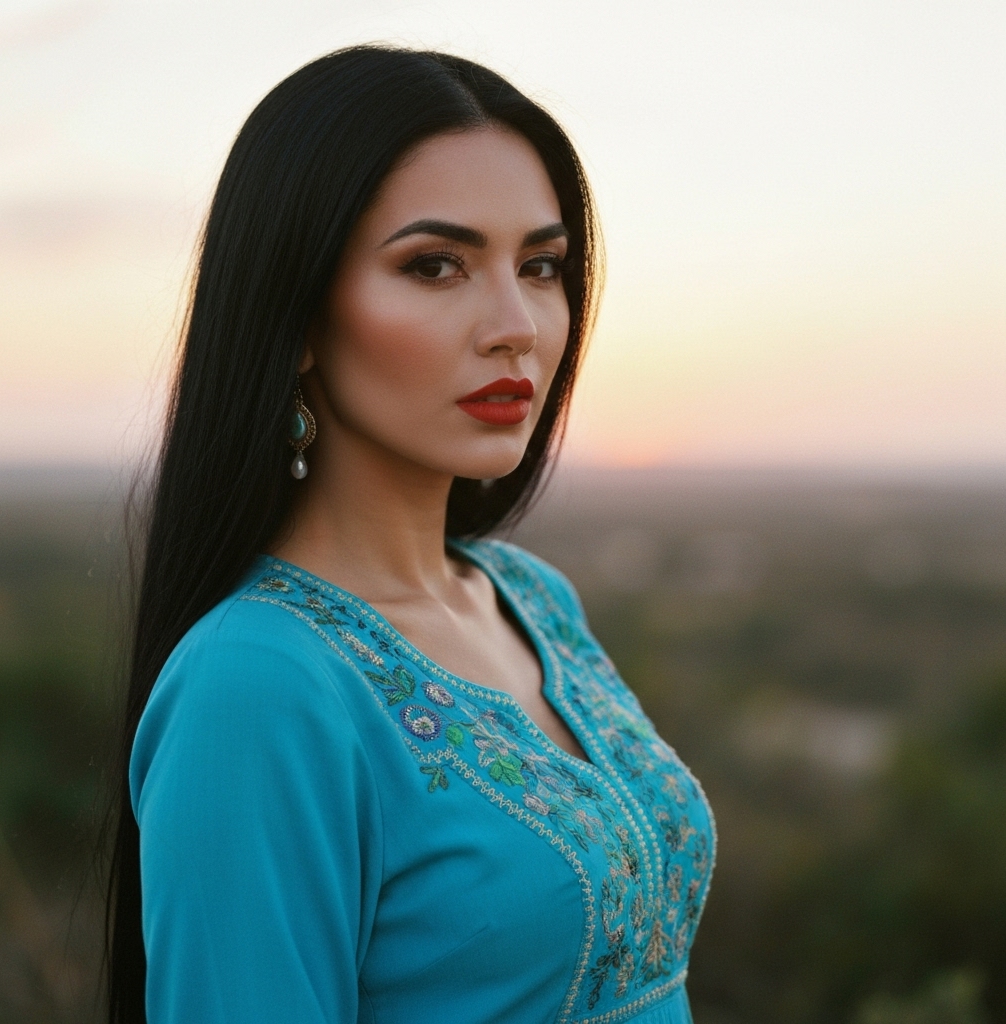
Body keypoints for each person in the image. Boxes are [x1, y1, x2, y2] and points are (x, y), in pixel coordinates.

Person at [104, 45, 716, 1024]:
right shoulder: (254, 685)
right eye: (436, 265)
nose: (516, 323)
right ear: (296, 312)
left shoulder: (530, 598)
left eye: (542, 266)